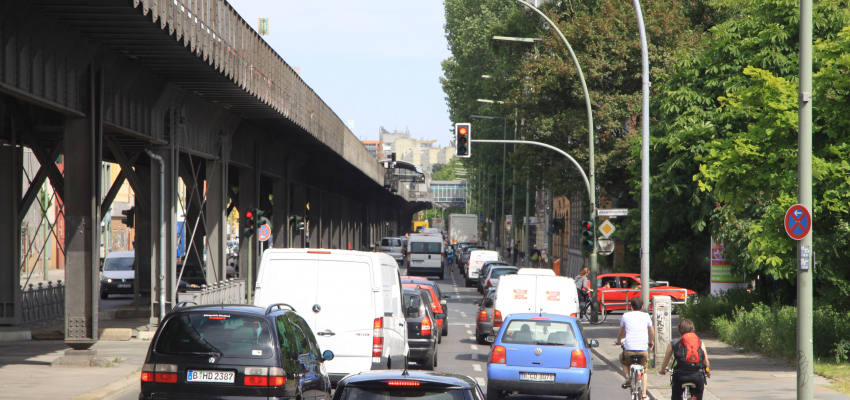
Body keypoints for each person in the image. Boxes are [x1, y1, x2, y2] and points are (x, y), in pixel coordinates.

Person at [660, 319, 711, 400]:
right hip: (697, 376)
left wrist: (663, 370)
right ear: (692, 330)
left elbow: (666, 361)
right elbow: (706, 362)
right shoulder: (699, 342)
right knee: (698, 397)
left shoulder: (673, 343)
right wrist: (707, 371)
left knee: (676, 396)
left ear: (680, 330)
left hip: (680, 376)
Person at [617, 297, 654, 399]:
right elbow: (651, 332)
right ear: (642, 306)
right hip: (643, 349)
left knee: (622, 359)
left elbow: (621, 332)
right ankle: (644, 395)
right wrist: (650, 342)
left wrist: (618, 341)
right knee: (644, 370)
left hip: (629, 349)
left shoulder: (625, 315)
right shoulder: (646, 316)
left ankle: (628, 377)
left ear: (631, 306)